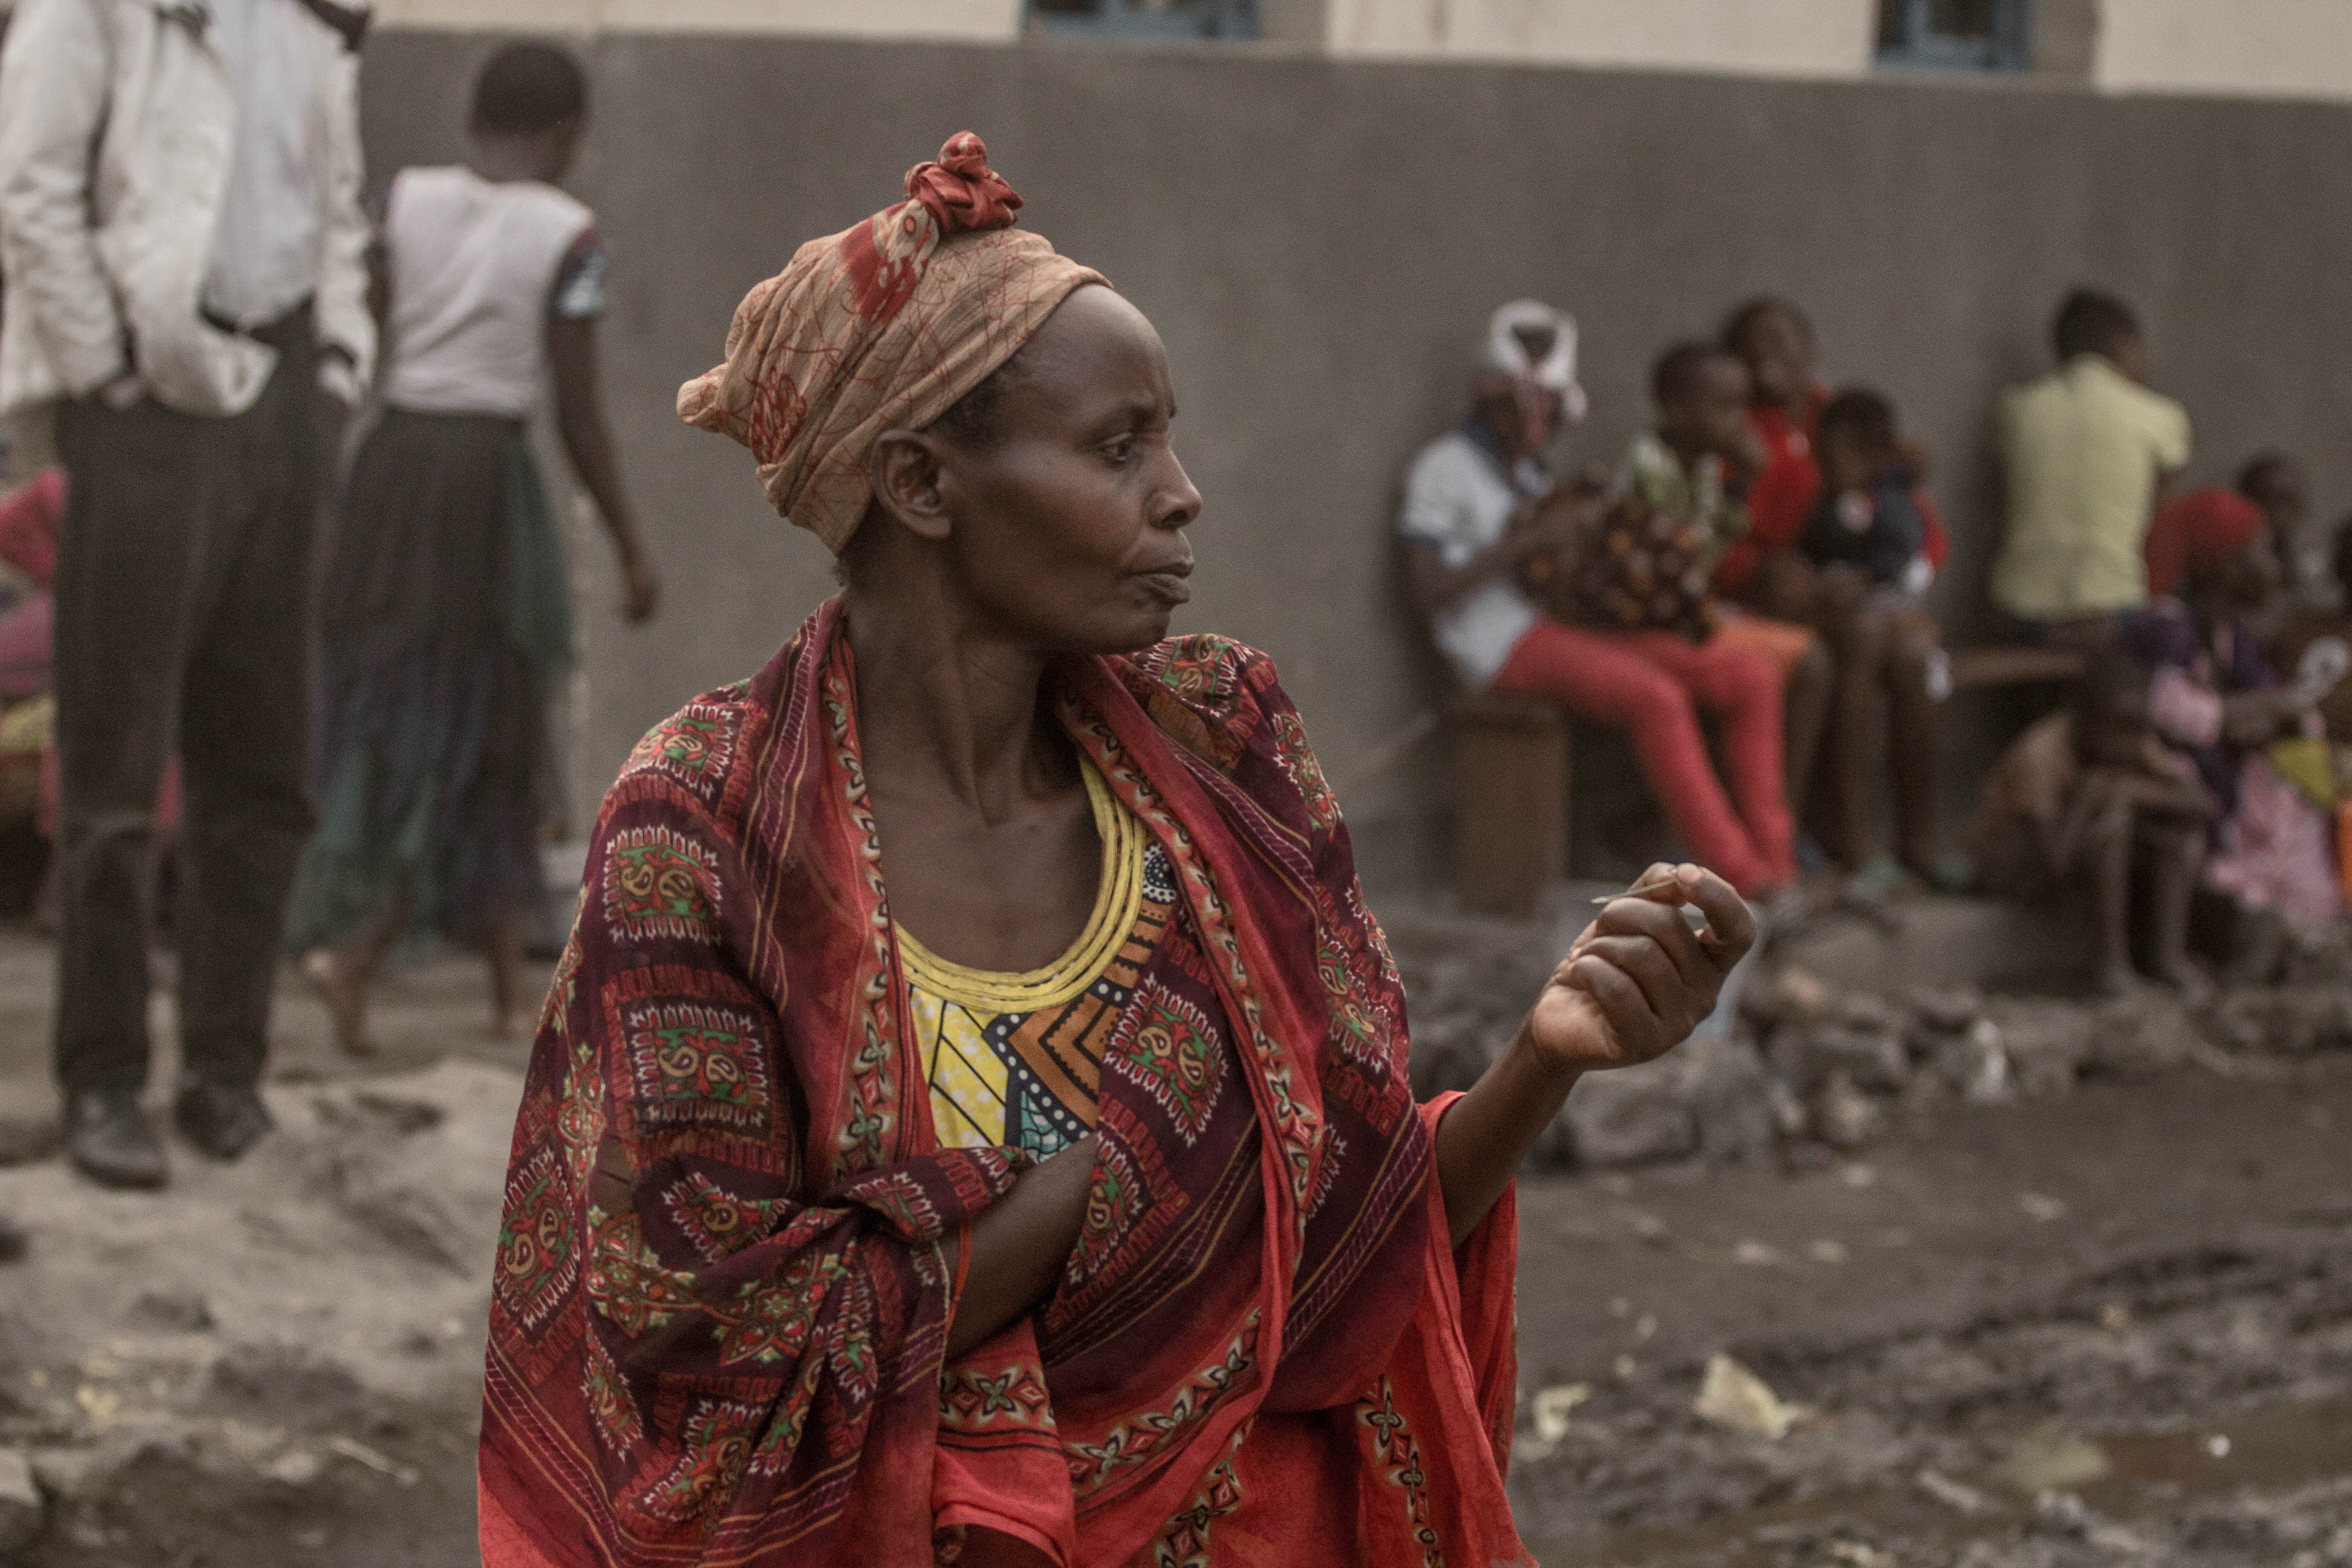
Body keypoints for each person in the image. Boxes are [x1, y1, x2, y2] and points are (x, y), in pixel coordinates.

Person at [477, 135, 1753, 1568]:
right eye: (1117, 444)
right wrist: (1142, 1151)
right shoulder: (705, 829)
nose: (1181, 490)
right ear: (917, 483)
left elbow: (1330, 1262)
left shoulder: (1224, 753)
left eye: (1168, 436)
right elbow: (711, 1350)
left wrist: (1546, 1056)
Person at [0, 0, 376, 1188]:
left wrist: (335, 365)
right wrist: (106, 367)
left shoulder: (320, 19)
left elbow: (338, 207)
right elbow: (32, 185)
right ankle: (104, 1080)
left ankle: (226, 1073)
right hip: (147, 400)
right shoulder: (96, 8)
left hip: (285, 392)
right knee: (116, 770)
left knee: (262, 770)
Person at [290, 43, 659, 1056]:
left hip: (392, 470)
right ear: (569, 136)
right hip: (485, 486)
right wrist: (630, 545)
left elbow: (358, 335)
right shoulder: (569, 236)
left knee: (412, 711)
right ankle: (359, 950)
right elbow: (579, 413)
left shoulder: (397, 202)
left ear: (472, 117)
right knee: (478, 724)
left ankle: (504, 988)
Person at [1400, 318, 1797, 895]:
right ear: (1491, 402)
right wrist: (1525, 544)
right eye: (1525, 410)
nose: (1539, 425)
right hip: (1497, 645)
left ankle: (1780, 865)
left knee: (1750, 676)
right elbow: (1427, 591)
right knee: (1655, 698)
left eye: (1550, 412)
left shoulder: (1529, 469)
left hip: (1561, 626)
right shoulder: (1445, 467)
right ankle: (1743, 879)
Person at [2124, 487, 2341, 975]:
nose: (2275, 567)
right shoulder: (2167, 628)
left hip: (2227, 803)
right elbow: (2178, 713)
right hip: (2176, 790)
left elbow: (2292, 715)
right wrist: (2254, 713)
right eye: (2262, 553)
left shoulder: (2229, 639)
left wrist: (2260, 712)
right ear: (2225, 566)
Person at [1972, 650, 2212, 996]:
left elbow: (2202, 804)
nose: (2130, 741)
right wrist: (2087, 801)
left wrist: (2140, 794)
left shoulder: (2131, 740)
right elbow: (2057, 861)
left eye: (2138, 727)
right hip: (2016, 866)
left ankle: (2168, 959)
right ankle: (2113, 966)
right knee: (2112, 823)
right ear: (2085, 718)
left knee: (2178, 832)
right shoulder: (2041, 756)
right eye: (2119, 728)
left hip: (2070, 856)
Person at [1795, 387, 1952, 884]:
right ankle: (1853, 835)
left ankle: (1915, 839)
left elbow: (1916, 551)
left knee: (1916, 657)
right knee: (1866, 642)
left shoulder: (1890, 500)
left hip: (1884, 608)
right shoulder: (1821, 491)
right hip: (1838, 618)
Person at [1990, 289, 2190, 645]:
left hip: (2020, 614)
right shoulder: (2161, 417)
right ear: (2124, 345)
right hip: (2113, 614)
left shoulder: (2017, 409)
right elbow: (2160, 519)